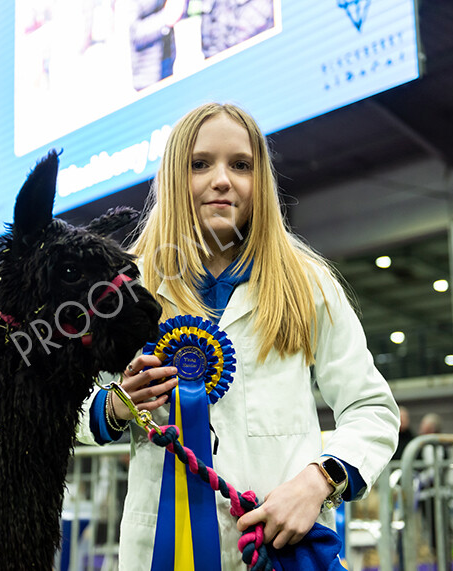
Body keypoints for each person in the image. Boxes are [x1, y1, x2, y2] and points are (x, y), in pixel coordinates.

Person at [77, 102, 399, 570]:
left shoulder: (308, 281)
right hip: (161, 551)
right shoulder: (127, 286)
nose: (222, 179)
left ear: (260, 180)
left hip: (281, 544)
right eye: (200, 164)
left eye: (241, 165)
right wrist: (111, 406)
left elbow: (371, 409)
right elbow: (66, 406)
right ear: (172, 178)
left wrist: (318, 481)